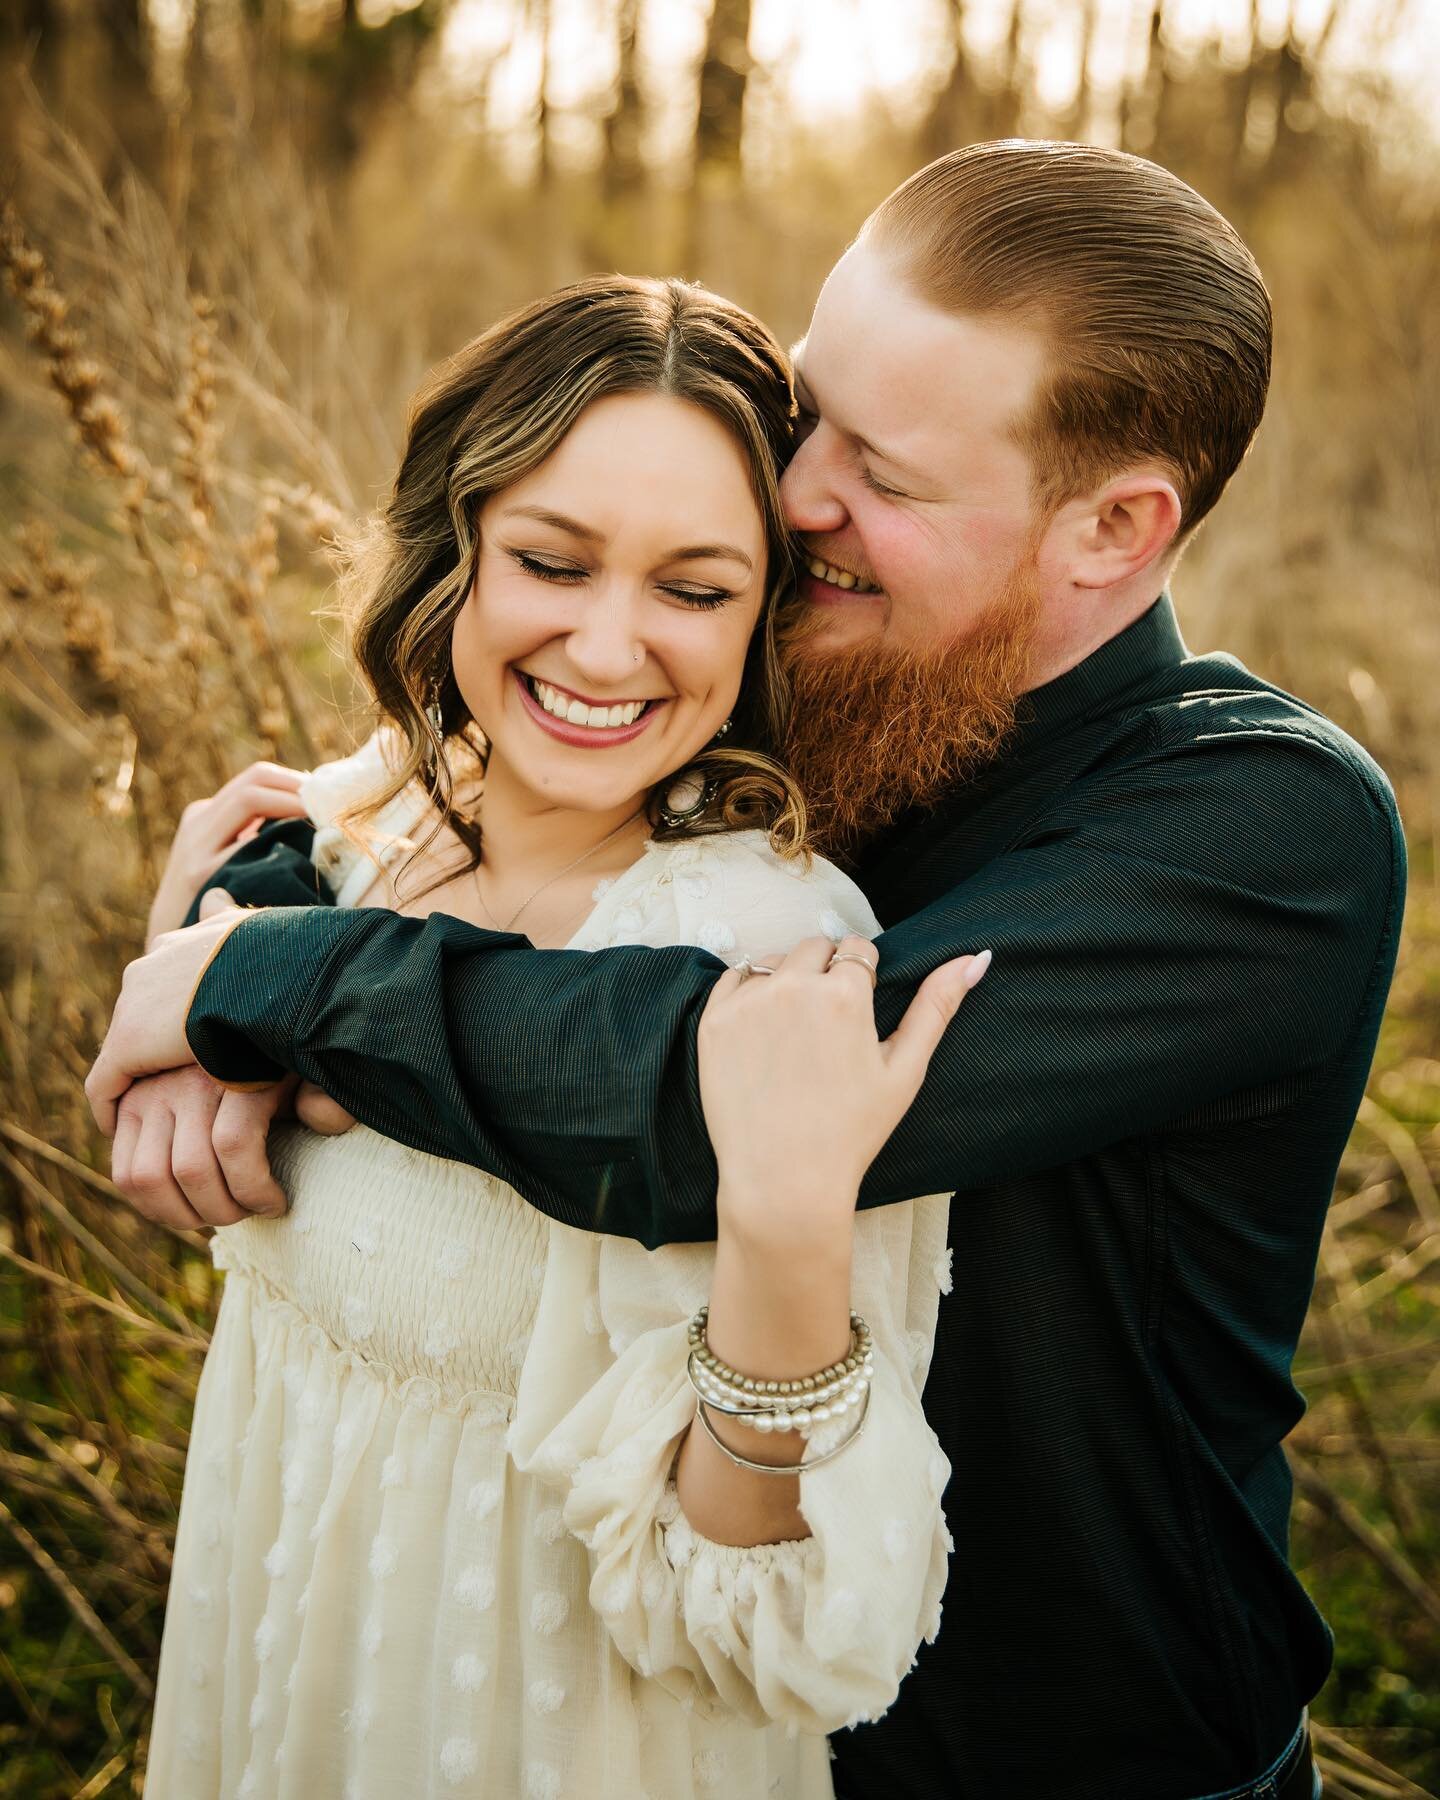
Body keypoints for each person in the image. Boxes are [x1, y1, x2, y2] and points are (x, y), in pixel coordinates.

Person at [87, 143, 1406, 1800]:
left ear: (1114, 528)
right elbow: (453, 791)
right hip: (695, 1726)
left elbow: (708, 1103)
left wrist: (271, 985)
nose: (796, 494)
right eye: (812, 407)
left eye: (885, 465)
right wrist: (257, 896)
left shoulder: (1258, 832)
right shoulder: (817, 648)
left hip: (1059, 1755)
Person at [127, 274, 978, 1799]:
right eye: (551, 560)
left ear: (767, 613)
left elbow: (757, 1622)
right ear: (454, 551)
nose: (604, 649)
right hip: (274, 1678)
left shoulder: (763, 956)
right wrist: (205, 975)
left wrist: (784, 1243)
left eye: (694, 588)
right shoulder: (355, 830)